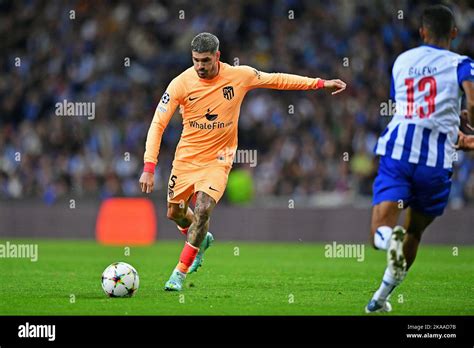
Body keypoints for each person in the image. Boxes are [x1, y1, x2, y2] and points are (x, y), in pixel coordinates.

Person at [139, 32, 347, 291]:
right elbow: (158, 123)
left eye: (205, 60)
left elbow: (277, 79)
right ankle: (201, 239)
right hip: (186, 159)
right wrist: (149, 166)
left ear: (217, 56)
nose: (200, 66)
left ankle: (178, 274)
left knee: (203, 210)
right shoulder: (180, 83)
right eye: (195, 61)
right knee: (175, 213)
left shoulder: (239, 76)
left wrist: (319, 83)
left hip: (219, 158)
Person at [366, 5, 474, 313]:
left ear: (422, 32)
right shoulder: (462, 63)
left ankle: (388, 243)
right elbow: (468, 100)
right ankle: (382, 296)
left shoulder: (403, 61)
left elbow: (412, 108)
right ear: (454, 33)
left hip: (399, 151)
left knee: (379, 231)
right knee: (414, 231)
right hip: (437, 161)